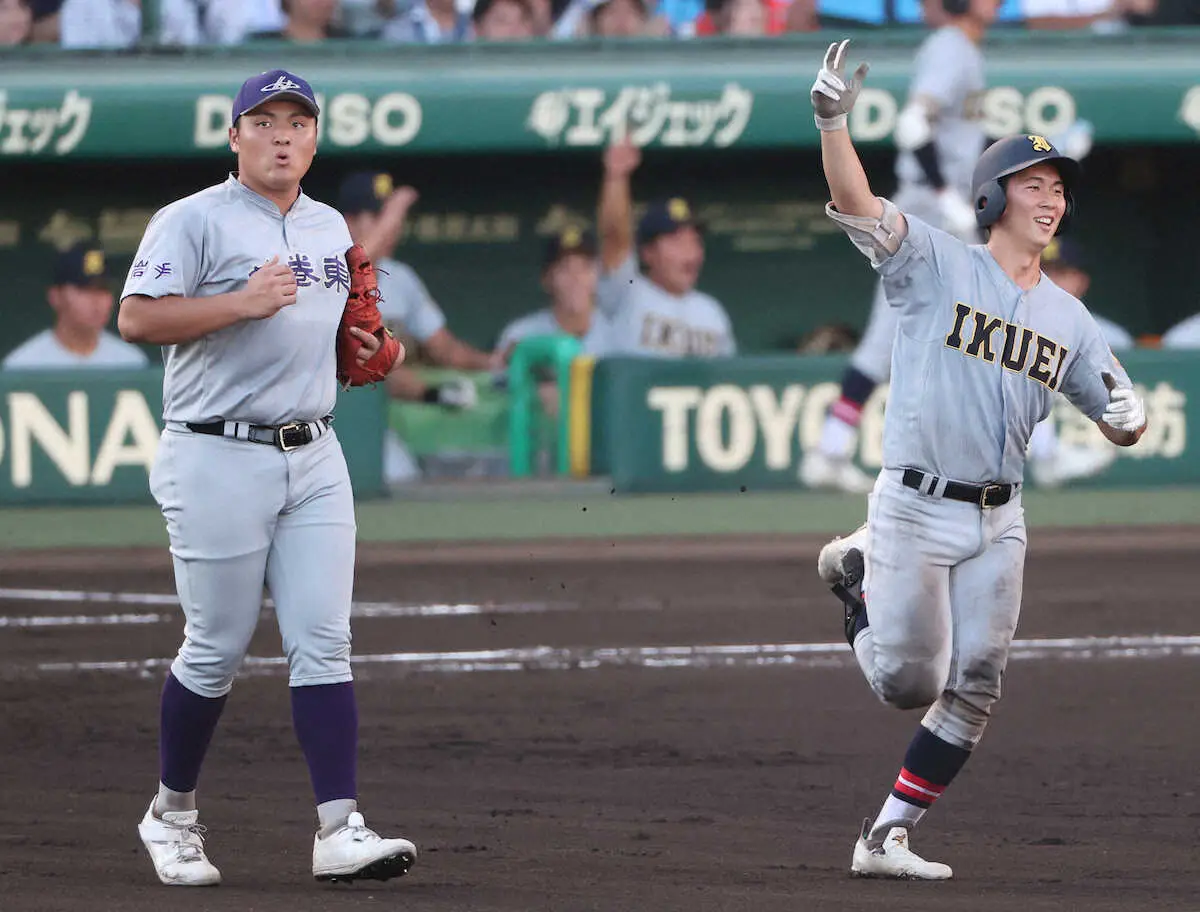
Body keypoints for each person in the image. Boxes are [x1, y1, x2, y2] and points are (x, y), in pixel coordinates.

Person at [809, 40, 1147, 879]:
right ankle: (856, 581)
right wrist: (833, 122)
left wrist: (1127, 418)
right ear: (994, 196)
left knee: (979, 683)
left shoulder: (1069, 316)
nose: (1052, 199)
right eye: (1036, 185)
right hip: (916, 505)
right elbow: (855, 200)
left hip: (1001, 515)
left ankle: (883, 836)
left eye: (1060, 188)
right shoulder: (935, 262)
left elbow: (1116, 413)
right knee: (905, 685)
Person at [117, 68, 416, 887]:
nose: (282, 134)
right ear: (235, 135)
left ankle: (338, 828)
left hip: (314, 454)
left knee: (324, 639)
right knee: (215, 646)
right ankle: (170, 815)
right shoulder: (192, 220)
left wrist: (363, 353)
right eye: (266, 121)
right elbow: (138, 317)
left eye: (297, 122)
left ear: (315, 139)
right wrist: (239, 303)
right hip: (215, 450)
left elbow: (354, 332)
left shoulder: (327, 228)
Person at [801, 0, 996, 494]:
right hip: (933, 212)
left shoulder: (962, 49)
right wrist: (946, 197)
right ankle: (1049, 452)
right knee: (1003, 315)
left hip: (938, 208)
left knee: (891, 335)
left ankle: (830, 445)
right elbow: (913, 127)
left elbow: (966, 137)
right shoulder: (951, 47)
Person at [336, 170, 498, 483]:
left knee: (403, 475)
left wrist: (491, 363)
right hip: (332, 419)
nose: (393, 227)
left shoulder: (401, 277)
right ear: (348, 222)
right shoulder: (330, 272)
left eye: (394, 218)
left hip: (374, 424)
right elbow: (369, 367)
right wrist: (433, 393)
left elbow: (443, 347)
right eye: (379, 216)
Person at [595, 136, 736, 358]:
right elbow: (615, 238)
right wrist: (616, 177)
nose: (690, 252)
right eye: (677, 242)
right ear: (647, 253)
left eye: (694, 242)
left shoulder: (711, 311)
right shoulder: (628, 291)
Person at [3, 243, 149, 371]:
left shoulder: (131, 363)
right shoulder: (24, 366)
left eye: (103, 289)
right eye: (84, 289)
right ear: (56, 296)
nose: (96, 300)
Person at [496, 226, 605, 354]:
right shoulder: (521, 335)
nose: (576, 278)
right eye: (564, 268)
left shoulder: (619, 331)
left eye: (585, 267)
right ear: (546, 280)